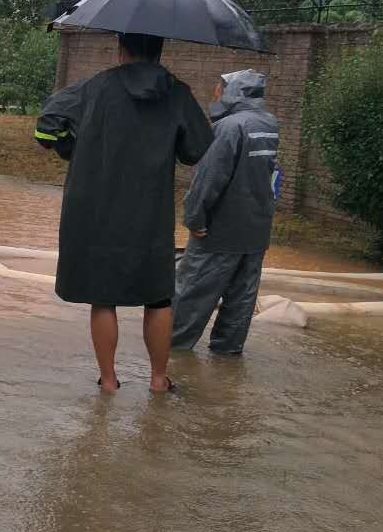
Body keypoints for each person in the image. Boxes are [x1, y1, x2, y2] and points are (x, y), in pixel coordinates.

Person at [34, 32, 212, 393]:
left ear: (122, 49)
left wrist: (70, 147)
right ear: (159, 50)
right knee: (159, 297)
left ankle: (110, 380)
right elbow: (196, 150)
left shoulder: (93, 88)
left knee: (103, 297)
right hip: (150, 212)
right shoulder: (178, 94)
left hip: (96, 211)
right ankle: (159, 380)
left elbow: (45, 127)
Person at [171, 69, 279, 355]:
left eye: (219, 87)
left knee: (193, 293)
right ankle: (227, 353)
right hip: (256, 230)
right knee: (241, 298)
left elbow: (209, 179)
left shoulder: (230, 128)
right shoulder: (269, 124)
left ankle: (172, 351)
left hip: (219, 231)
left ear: (233, 92)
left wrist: (194, 218)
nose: (215, 93)